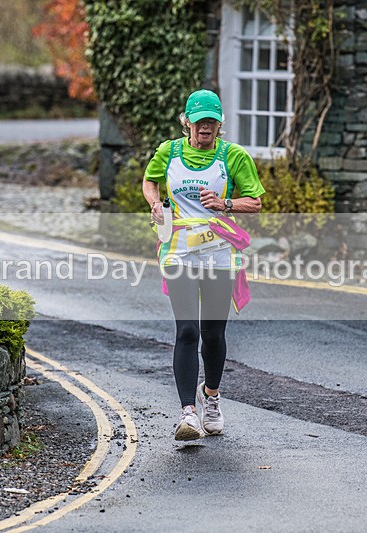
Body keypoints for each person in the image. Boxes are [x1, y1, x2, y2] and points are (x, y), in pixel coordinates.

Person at [142, 89, 264, 441]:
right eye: (199, 122)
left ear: (219, 125)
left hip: (218, 252)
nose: (205, 127)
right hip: (178, 250)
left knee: (212, 334)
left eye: (211, 122)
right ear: (187, 123)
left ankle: (210, 397)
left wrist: (225, 203)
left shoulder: (233, 156)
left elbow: (254, 202)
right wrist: (154, 204)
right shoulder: (169, 151)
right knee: (187, 331)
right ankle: (188, 414)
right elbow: (150, 181)